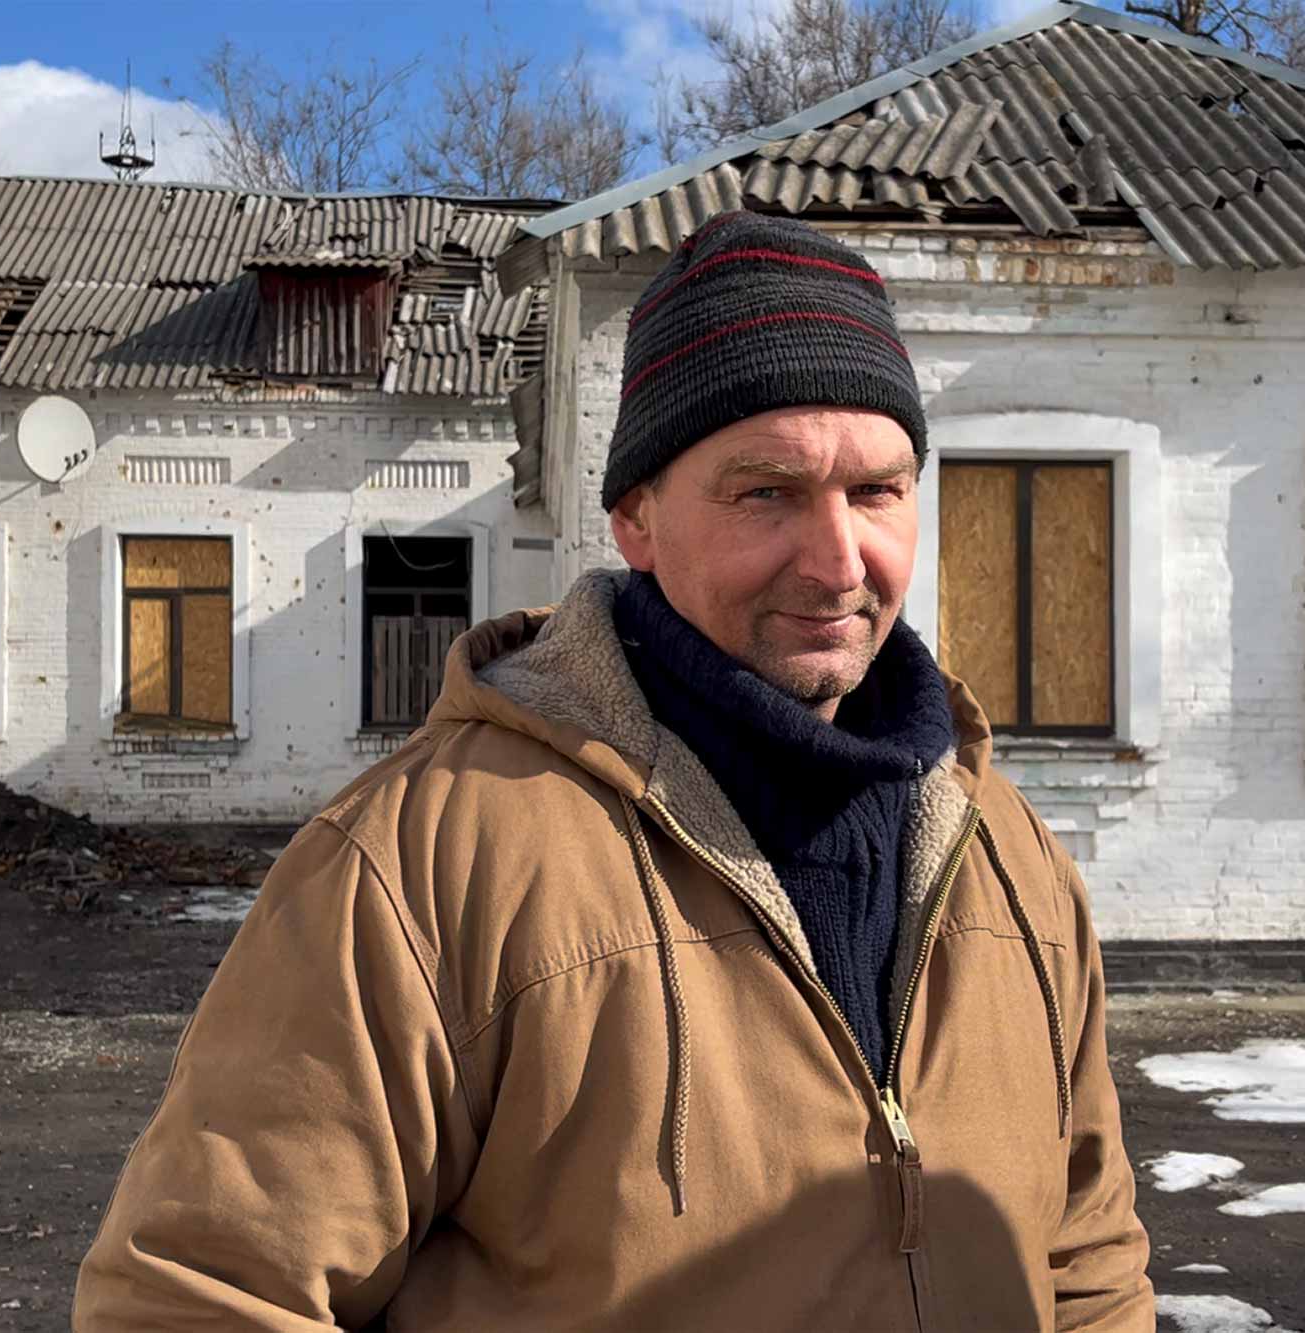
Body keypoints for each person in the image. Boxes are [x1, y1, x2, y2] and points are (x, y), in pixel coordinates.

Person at [74, 210, 1153, 1330]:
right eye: (766, 492)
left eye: (875, 491)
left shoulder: (1003, 854)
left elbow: (1086, 1263)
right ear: (635, 518)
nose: (839, 562)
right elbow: (196, 1295)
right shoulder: (424, 864)